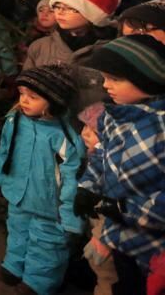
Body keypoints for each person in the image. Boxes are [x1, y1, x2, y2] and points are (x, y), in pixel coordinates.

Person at [77, 35, 165, 294]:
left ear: (146, 78)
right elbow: (102, 154)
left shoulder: (159, 128)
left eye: (115, 79)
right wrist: (88, 187)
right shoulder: (112, 116)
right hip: (118, 232)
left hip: (152, 242)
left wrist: (125, 209)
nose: (106, 86)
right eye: (105, 78)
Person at [0, 66, 83, 295]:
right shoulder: (15, 120)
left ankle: (38, 283)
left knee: (47, 243)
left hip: (48, 204)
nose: (24, 100)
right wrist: (3, 179)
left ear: (53, 101)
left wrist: (69, 214)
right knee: (17, 230)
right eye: (22, 94)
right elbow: (5, 150)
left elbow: (72, 175)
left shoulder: (64, 136)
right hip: (19, 194)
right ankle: (14, 266)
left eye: (33, 97)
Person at [24, 0, 120, 109]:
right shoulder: (40, 46)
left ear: (93, 15)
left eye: (70, 8)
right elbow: (27, 89)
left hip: (94, 125)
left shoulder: (113, 50)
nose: (60, 12)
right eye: (57, 6)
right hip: (50, 123)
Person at [76, 102, 119, 295]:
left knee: (108, 280)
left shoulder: (114, 169)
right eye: (85, 126)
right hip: (95, 233)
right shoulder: (93, 158)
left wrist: (100, 237)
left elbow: (115, 208)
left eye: (93, 131)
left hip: (107, 241)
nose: (84, 133)